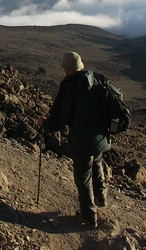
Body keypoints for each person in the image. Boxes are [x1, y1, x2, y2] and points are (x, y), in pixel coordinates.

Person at [37, 51, 110, 228]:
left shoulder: (71, 86)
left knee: (83, 177)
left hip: (82, 140)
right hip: (101, 136)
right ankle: (101, 197)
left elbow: (60, 117)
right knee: (97, 162)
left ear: (67, 69)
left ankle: (88, 216)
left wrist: (46, 124)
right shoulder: (97, 79)